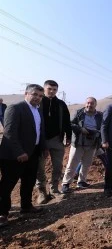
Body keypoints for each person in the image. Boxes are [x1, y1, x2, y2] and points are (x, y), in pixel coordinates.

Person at [0, 84, 47, 228]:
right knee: (7, 185)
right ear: (26, 93)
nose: (38, 98)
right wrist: (19, 152)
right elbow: (10, 133)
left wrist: (43, 148)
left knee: (29, 181)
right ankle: (2, 213)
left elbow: (39, 131)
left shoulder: (38, 110)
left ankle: (26, 206)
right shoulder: (15, 108)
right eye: (35, 94)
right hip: (14, 156)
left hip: (32, 153)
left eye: (40, 96)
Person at [35, 80, 72, 204]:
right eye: (49, 89)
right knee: (39, 167)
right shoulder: (38, 103)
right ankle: (42, 192)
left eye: (54, 89)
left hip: (57, 139)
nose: (52, 91)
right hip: (41, 140)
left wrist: (69, 136)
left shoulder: (61, 104)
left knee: (57, 166)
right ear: (44, 89)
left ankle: (54, 189)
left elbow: (67, 120)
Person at [61, 97, 103, 193]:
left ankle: (81, 181)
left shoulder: (100, 115)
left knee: (86, 164)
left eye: (92, 103)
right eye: (88, 103)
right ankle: (66, 183)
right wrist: (81, 129)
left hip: (92, 143)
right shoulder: (79, 113)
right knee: (72, 163)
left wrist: (97, 133)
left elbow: (102, 127)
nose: (89, 105)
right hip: (79, 143)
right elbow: (70, 124)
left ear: (95, 105)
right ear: (85, 104)